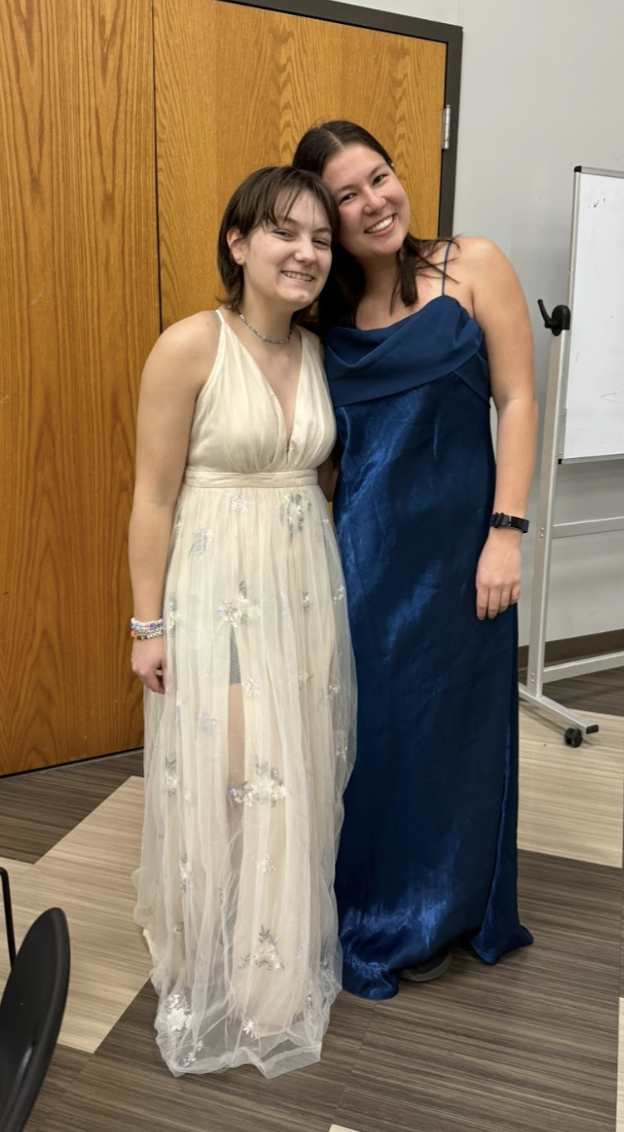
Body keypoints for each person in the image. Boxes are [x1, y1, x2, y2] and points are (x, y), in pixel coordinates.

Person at [293, 121, 537, 1000]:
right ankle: (384, 905)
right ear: (327, 216)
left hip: (468, 553)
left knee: (461, 727)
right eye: (347, 195)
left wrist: (506, 531)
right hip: (365, 560)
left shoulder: (472, 263)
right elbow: (327, 454)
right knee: (380, 738)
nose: (373, 202)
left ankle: (457, 901)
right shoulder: (321, 317)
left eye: (380, 178)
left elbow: (515, 399)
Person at [129, 166, 355, 1077]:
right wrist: (147, 626)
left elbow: (326, 477)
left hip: (301, 581)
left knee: (295, 768)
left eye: (321, 240)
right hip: (215, 581)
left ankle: (274, 967)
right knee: (233, 780)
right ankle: (217, 967)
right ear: (238, 243)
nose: (307, 254)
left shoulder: (319, 352)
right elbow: (151, 494)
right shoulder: (190, 345)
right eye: (284, 234)